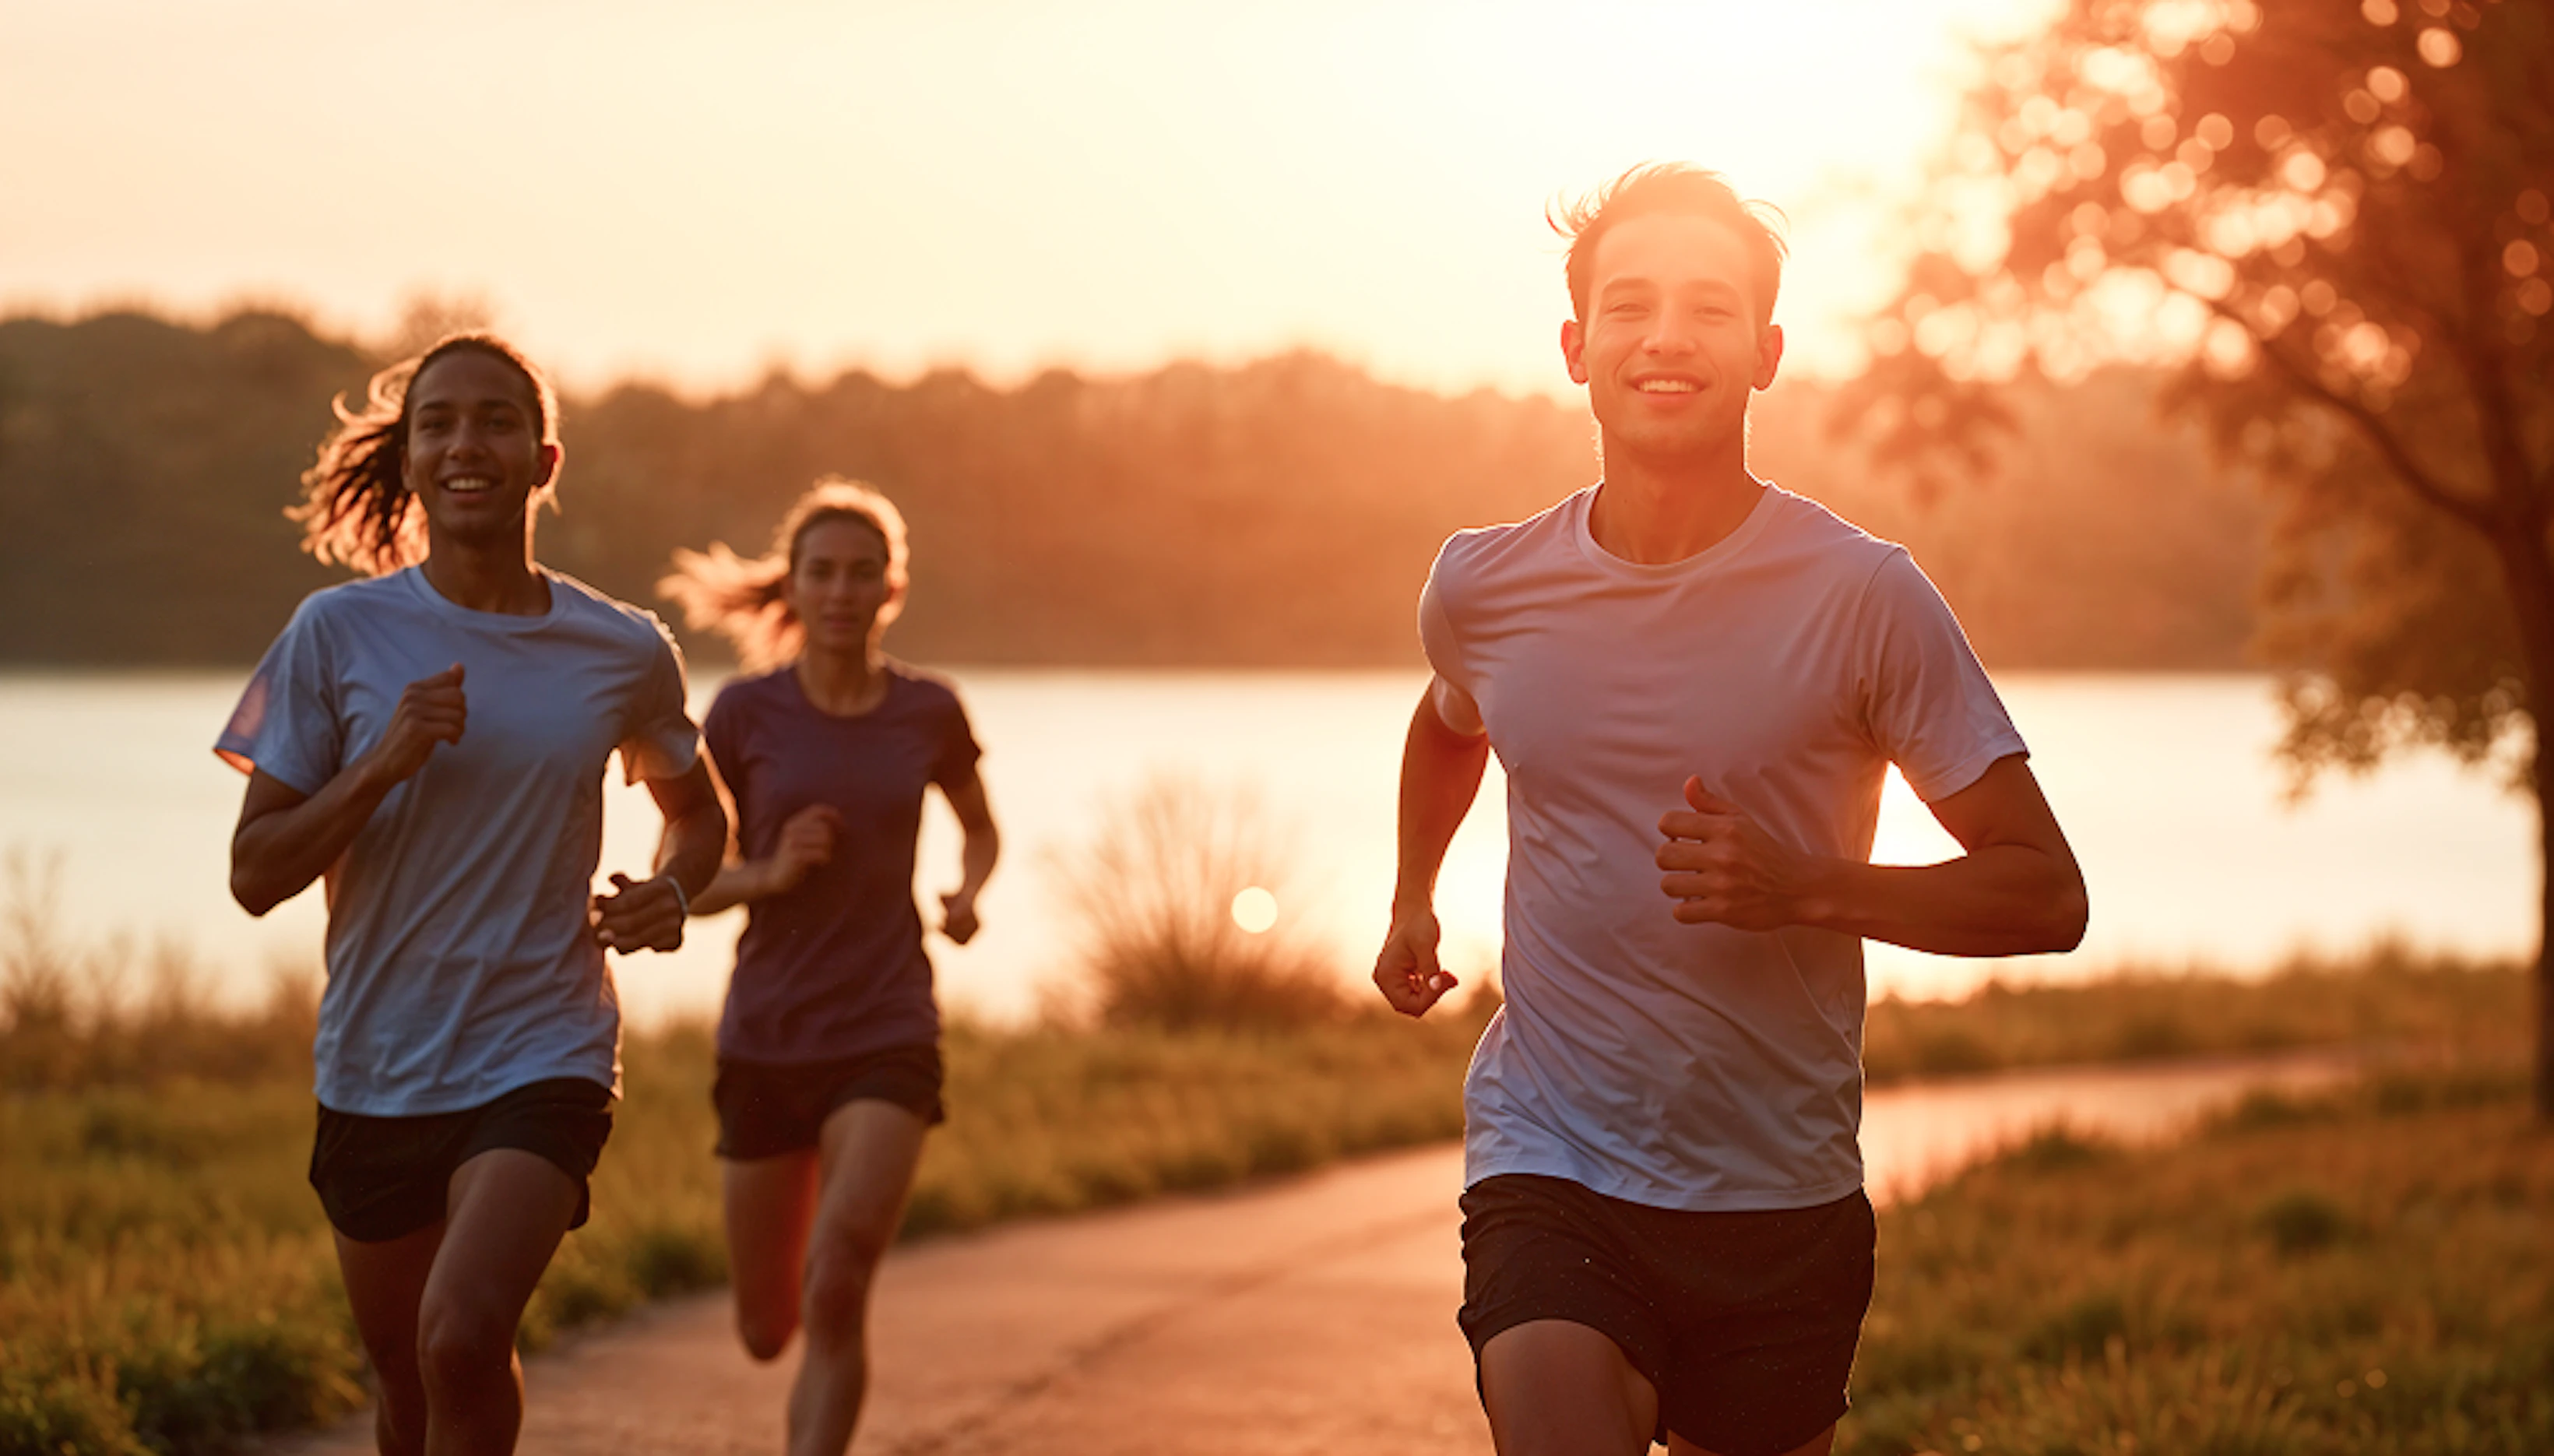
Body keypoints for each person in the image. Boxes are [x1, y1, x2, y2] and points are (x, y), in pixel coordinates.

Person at [1373, 165, 2089, 1456]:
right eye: (1631, 305)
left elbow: (2046, 893)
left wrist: (1807, 887)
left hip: (1778, 1195)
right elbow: (1448, 722)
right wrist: (1413, 893)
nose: (1665, 337)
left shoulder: (1865, 597)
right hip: (1552, 1164)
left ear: (1764, 354)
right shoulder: (1484, 585)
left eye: (1708, 310)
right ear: (1575, 346)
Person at [218, 334, 726, 1456]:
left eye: (495, 419)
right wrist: (380, 764)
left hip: (544, 1050)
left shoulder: (622, 647)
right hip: (377, 1059)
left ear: (543, 461)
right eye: (437, 422)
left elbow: (698, 814)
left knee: (460, 1336)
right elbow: (256, 876)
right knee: (404, 1386)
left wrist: (673, 895)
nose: (466, 442)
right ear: (408, 460)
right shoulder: (334, 634)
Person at [658, 478, 1000, 1456]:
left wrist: (969, 895)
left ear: (890, 589)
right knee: (769, 1329)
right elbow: (685, 880)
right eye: (823, 573)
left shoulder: (929, 709)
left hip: (887, 1025)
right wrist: (766, 870)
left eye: (863, 574)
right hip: (766, 1032)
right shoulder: (742, 714)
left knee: (840, 1271)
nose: (843, 592)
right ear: (793, 588)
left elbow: (980, 831)